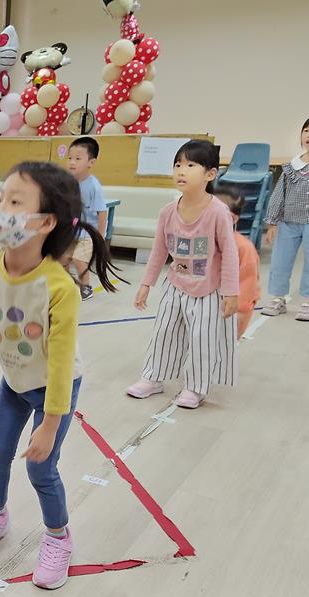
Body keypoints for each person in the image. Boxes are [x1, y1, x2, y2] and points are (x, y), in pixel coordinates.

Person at [0, 161, 122, 590]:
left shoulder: (58, 287)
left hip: (54, 388)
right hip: (14, 381)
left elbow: (61, 363)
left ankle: (58, 537)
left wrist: (50, 422)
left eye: (15, 203)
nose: (1, 210)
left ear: (46, 222)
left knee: (42, 470)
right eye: (2, 199)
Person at [127, 141, 239, 409]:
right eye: (177, 164)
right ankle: (153, 377)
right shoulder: (168, 211)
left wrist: (231, 293)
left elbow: (230, 254)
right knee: (164, 332)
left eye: (190, 165)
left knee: (202, 339)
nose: (181, 170)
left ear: (210, 174)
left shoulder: (218, 212)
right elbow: (158, 250)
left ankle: (195, 387)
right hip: (175, 284)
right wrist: (146, 284)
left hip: (208, 290)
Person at [262, 112, 309, 322]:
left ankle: (308, 303)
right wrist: (273, 222)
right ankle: (278, 299)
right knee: (280, 261)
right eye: (306, 130)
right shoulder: (292, 166)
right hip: (287, 223)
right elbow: (279, 194)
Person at [215, 185, 261, 339]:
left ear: (233, 218)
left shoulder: (243, 247)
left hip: (229, 313)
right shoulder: (202, 241)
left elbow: (247, 288)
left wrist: (238, 320)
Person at [66, 136, 109, 301]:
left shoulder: (93, 186)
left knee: (79, 259)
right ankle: (67, 285)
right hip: (71, 230)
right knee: (61, 259)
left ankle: (86, 287)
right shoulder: (68, 182)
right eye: (70, 158)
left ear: (91, 163)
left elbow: (102, 212)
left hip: (88, 233)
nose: (72, 162)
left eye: (78, 159)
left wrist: (100, 237)